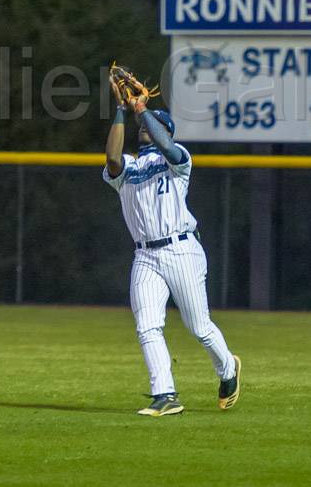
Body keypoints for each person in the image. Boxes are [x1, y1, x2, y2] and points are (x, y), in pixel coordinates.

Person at [103, 84, 241, 417]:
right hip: (145, 256)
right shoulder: (129, 168)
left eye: (155, 125)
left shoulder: (177, 161)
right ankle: (164, 395)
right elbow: (110, 158)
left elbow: (165, 143)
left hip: (182, 250)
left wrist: (141, 110)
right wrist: (122, 110)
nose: (147, 130)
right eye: (145, 127)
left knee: (199, 327)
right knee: (147, 326)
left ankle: (228, 371)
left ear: (166, 131)